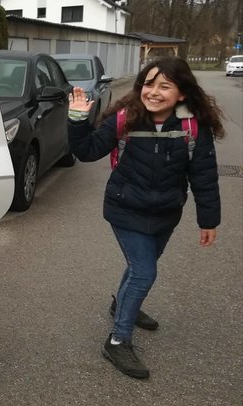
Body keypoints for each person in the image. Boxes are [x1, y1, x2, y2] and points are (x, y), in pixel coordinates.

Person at [67, 56, 223, 379]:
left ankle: (122, 305)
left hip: (166, 213)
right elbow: (87, 151)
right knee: (144, 272)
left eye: (165, 86)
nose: (154, 91)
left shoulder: (193, 127)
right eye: (149, 83)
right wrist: (77, 120)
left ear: (181, 93)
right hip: (125, 209)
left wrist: (208, 220)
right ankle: (118, 339)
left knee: (139, 268)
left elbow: (204, 176)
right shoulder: (126, 119)